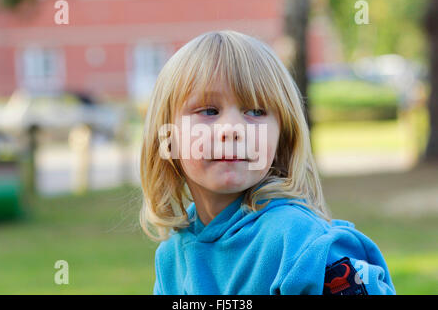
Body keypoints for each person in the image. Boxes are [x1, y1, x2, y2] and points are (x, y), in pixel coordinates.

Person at [139, 30, 396, 295]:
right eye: (209, 111)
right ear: (167, 138)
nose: (232, 128)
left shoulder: (300, 243)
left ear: (282, 137)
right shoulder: (171, 256)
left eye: (255, 111)